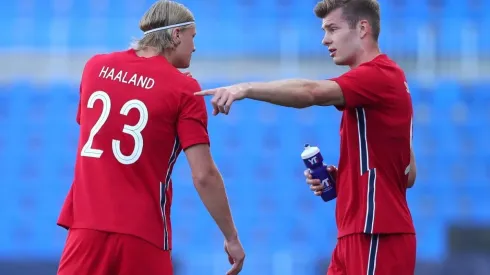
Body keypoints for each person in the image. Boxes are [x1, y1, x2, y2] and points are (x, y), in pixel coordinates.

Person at [195, 0, 416, 274]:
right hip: (355, 232)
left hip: (377, 232)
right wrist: (345, 177)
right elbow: (408, 174)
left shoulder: (379, 75)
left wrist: (245, 88)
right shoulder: (381, 83)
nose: (325, 40)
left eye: (332, 29)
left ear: (362, 28)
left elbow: (310, 92)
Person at [56, 1, 245, 275]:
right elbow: (204, 175)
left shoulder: (94, 66)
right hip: (143, 234)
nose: (194, 47)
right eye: (193, 37)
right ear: (176, 34)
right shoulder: (185, 90)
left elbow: (90, 127)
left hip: (85, 229)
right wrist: (231, 237)